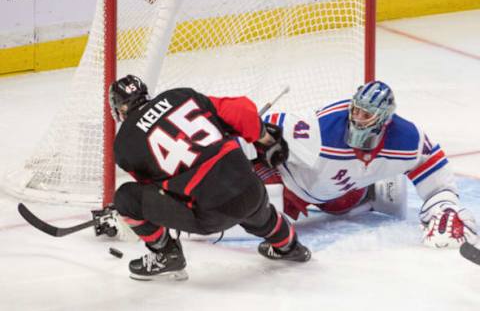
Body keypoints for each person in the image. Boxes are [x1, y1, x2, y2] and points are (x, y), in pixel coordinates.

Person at [107, 74, 311, 281]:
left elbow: (154, 189)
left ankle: (166, 254)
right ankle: (289, 245)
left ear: (119, 109)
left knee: (126, 197)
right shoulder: (181, 95)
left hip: (209, 215)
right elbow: (239, 111)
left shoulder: (123, 145)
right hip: (252, 191)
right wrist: (265, 138)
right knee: (249, 200)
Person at [242, 80, 477, 249]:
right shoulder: (322, 128)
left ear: (385, 118)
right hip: (283, 179)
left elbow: (432, 166)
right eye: (355, 110)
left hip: (331, 191)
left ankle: (376, 189)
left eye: (366, 115)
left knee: (345, 202)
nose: (356, 118)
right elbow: (264, 125)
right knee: (262, 210)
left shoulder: (407, 138)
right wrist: (243, 135)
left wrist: (445, 206)